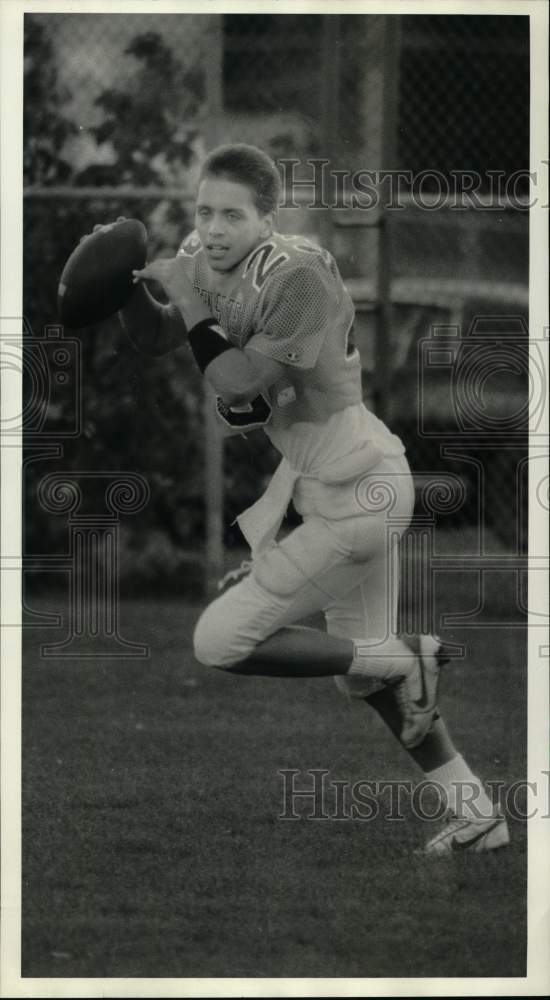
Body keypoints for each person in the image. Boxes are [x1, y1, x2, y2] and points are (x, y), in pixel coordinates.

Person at [120, 143, 508, 854]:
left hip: (360, 491)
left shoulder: (300, 276)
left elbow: (236, 382)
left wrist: (184, 293)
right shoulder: (206, 259)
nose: (212, 229)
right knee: (363, 676)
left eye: (232, 215)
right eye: (204, 211)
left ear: (270, 217)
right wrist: (123, 287)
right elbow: (154, 338)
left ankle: (404, 657)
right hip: (333, 488)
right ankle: (477, 814)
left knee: (219, 639)